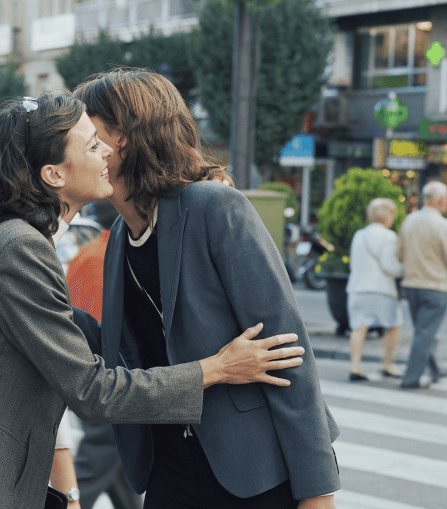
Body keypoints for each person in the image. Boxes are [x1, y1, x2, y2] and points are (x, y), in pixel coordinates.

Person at [0, 92, 305, 509]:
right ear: (54, 175)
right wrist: (218, 368)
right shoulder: (19, 248)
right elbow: (91, 390)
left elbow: (77, 337)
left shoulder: (20, 241)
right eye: (93, 144)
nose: (107, 154)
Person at [73, 69, 340, 509]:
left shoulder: (213, 207)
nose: (76, 140)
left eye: (86, 128)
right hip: (169, 469)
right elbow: (128, 352)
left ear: (121, 136)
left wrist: (317, 495)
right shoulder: (122, 234)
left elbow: (288, 353)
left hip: (253, 473)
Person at [67, 199, 143, 509]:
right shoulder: (120, 256)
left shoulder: (85, 255)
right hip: (113, 379)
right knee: (96, 462)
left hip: (88, 371)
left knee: (122, 471)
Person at [346, 198, 403, 381]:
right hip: (381, 289)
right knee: (394, 325)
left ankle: (355, 367)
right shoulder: (389, 236)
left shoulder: (359, 234)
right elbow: (390, 267)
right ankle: (387, 364)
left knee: (359, 328)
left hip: (357, 288)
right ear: (388, 215)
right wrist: (406, 269)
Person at [397, 180, 447, 389]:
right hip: (435, 285)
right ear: (440, 200)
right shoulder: (441, 224)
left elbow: (399, 253)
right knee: (425, 332)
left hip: (411, 284)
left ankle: (435, 369)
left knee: (422, 330)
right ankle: (411, 378)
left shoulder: (409, 220)